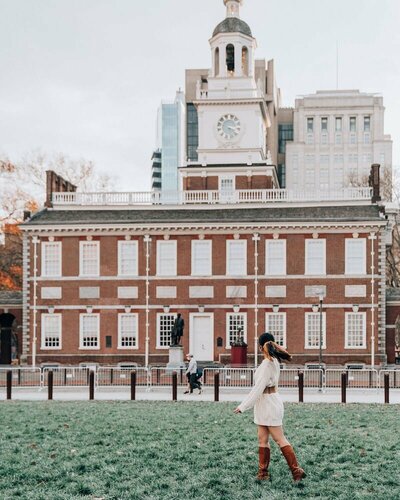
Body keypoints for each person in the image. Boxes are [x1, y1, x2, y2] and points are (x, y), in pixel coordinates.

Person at [234, 333, 306, 483]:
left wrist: (243, 406)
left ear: (260, 347)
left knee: (279, 439)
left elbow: (258, 389)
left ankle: (296, 470)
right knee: (262, 439)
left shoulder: (267, 364)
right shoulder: (273, 361)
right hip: (266, 403)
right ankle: (263, 472)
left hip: (268, 404)